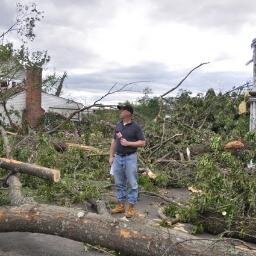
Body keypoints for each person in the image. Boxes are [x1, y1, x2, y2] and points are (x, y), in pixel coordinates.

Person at [109, 104, 146, 218]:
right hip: (118, 157)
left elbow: (143, 143)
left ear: (128, 113)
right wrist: (111, 156)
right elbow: (114, 142)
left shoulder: (135, 127)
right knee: (119, 182)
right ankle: (121, 206)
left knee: (132, 183)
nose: (120, 112)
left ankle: (131, 208)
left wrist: (129, 143)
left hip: (130, 157)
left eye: (122, 110)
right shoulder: (118, 125)